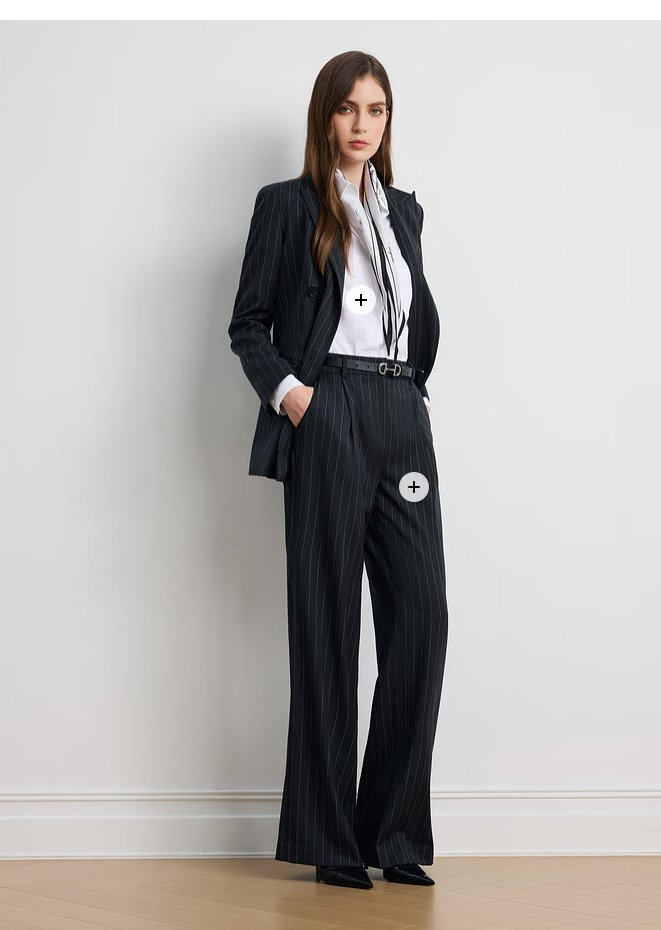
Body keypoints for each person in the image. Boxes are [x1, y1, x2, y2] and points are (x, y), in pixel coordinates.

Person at [228, 51, 448, 890]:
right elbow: (249, 324)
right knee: (327, 624)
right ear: (325, 115)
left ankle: (394, 831)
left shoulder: (406, 212)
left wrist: (415, 394)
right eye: (349, 108)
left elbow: (408, 316)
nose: (363, 124)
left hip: (401, 417)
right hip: (330, 412)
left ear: (389, 120)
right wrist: (297, 399)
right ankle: (332, 839)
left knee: (422, 619)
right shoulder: (287, 206)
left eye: (377, 110)